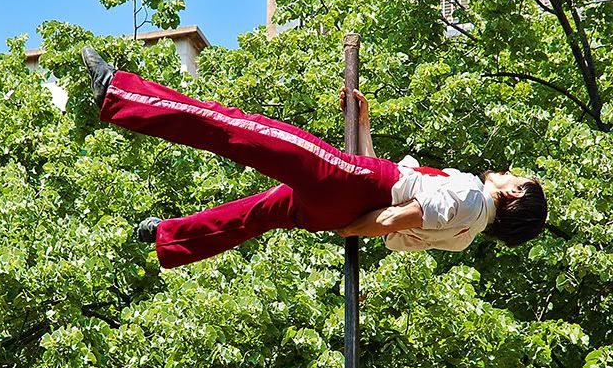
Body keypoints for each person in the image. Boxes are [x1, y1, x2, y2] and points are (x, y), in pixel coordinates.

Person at [81, 47, 547, 269]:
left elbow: (397, 216)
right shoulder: (465, 237)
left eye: (515, 176)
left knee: (240, 130)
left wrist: (358, 226)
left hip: (349, 189)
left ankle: (120, 93)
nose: (507, 172)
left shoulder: (469, 192)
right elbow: (393, 206)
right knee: (256, 214)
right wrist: (362, 127)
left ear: (515, 192)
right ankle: (167, 237)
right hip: (348, 197)